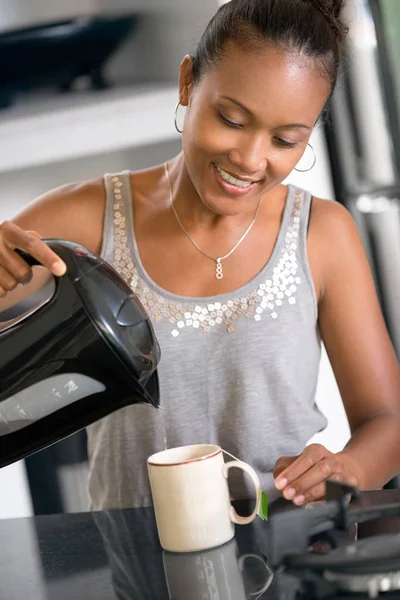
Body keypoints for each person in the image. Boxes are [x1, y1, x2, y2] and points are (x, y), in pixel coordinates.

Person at [1, 0, 399, 511]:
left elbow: (386, 421)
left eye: (285, 140)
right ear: (188, 83)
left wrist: (351, 468)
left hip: (288, 551)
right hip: (135, 564)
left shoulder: (322, 233)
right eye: (232, 120)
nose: (251, 159)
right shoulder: (83, 221)